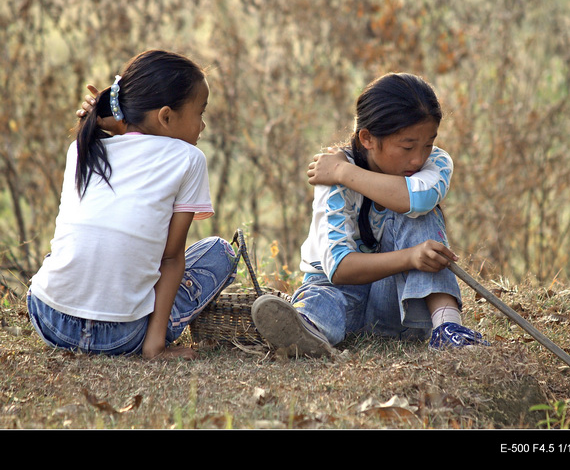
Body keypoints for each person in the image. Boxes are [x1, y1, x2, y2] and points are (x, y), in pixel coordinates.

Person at [251, 72, 489, 357]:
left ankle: (448, 328)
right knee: (321, 296)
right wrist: (409, 256)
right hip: (339, 297)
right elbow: (338, 270)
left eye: (427, 144)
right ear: (367, 139)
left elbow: (416, 199)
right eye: (408, 146)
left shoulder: (434, 163)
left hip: (397, 304)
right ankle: (304, 330)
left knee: (420, 212)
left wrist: (343, 172)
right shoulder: (332, 180)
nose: (419, 158)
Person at [27, 50, 239, 360]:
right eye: (201, 112)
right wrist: (154, 347)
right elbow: (170, 258)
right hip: (122, 336)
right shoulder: (189, 159)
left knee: (73, 249)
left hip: (50, 319)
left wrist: (119, 127)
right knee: (220, 252)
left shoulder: (84, 147)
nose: (203, 125)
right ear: (166, 117)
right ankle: (147, 333)